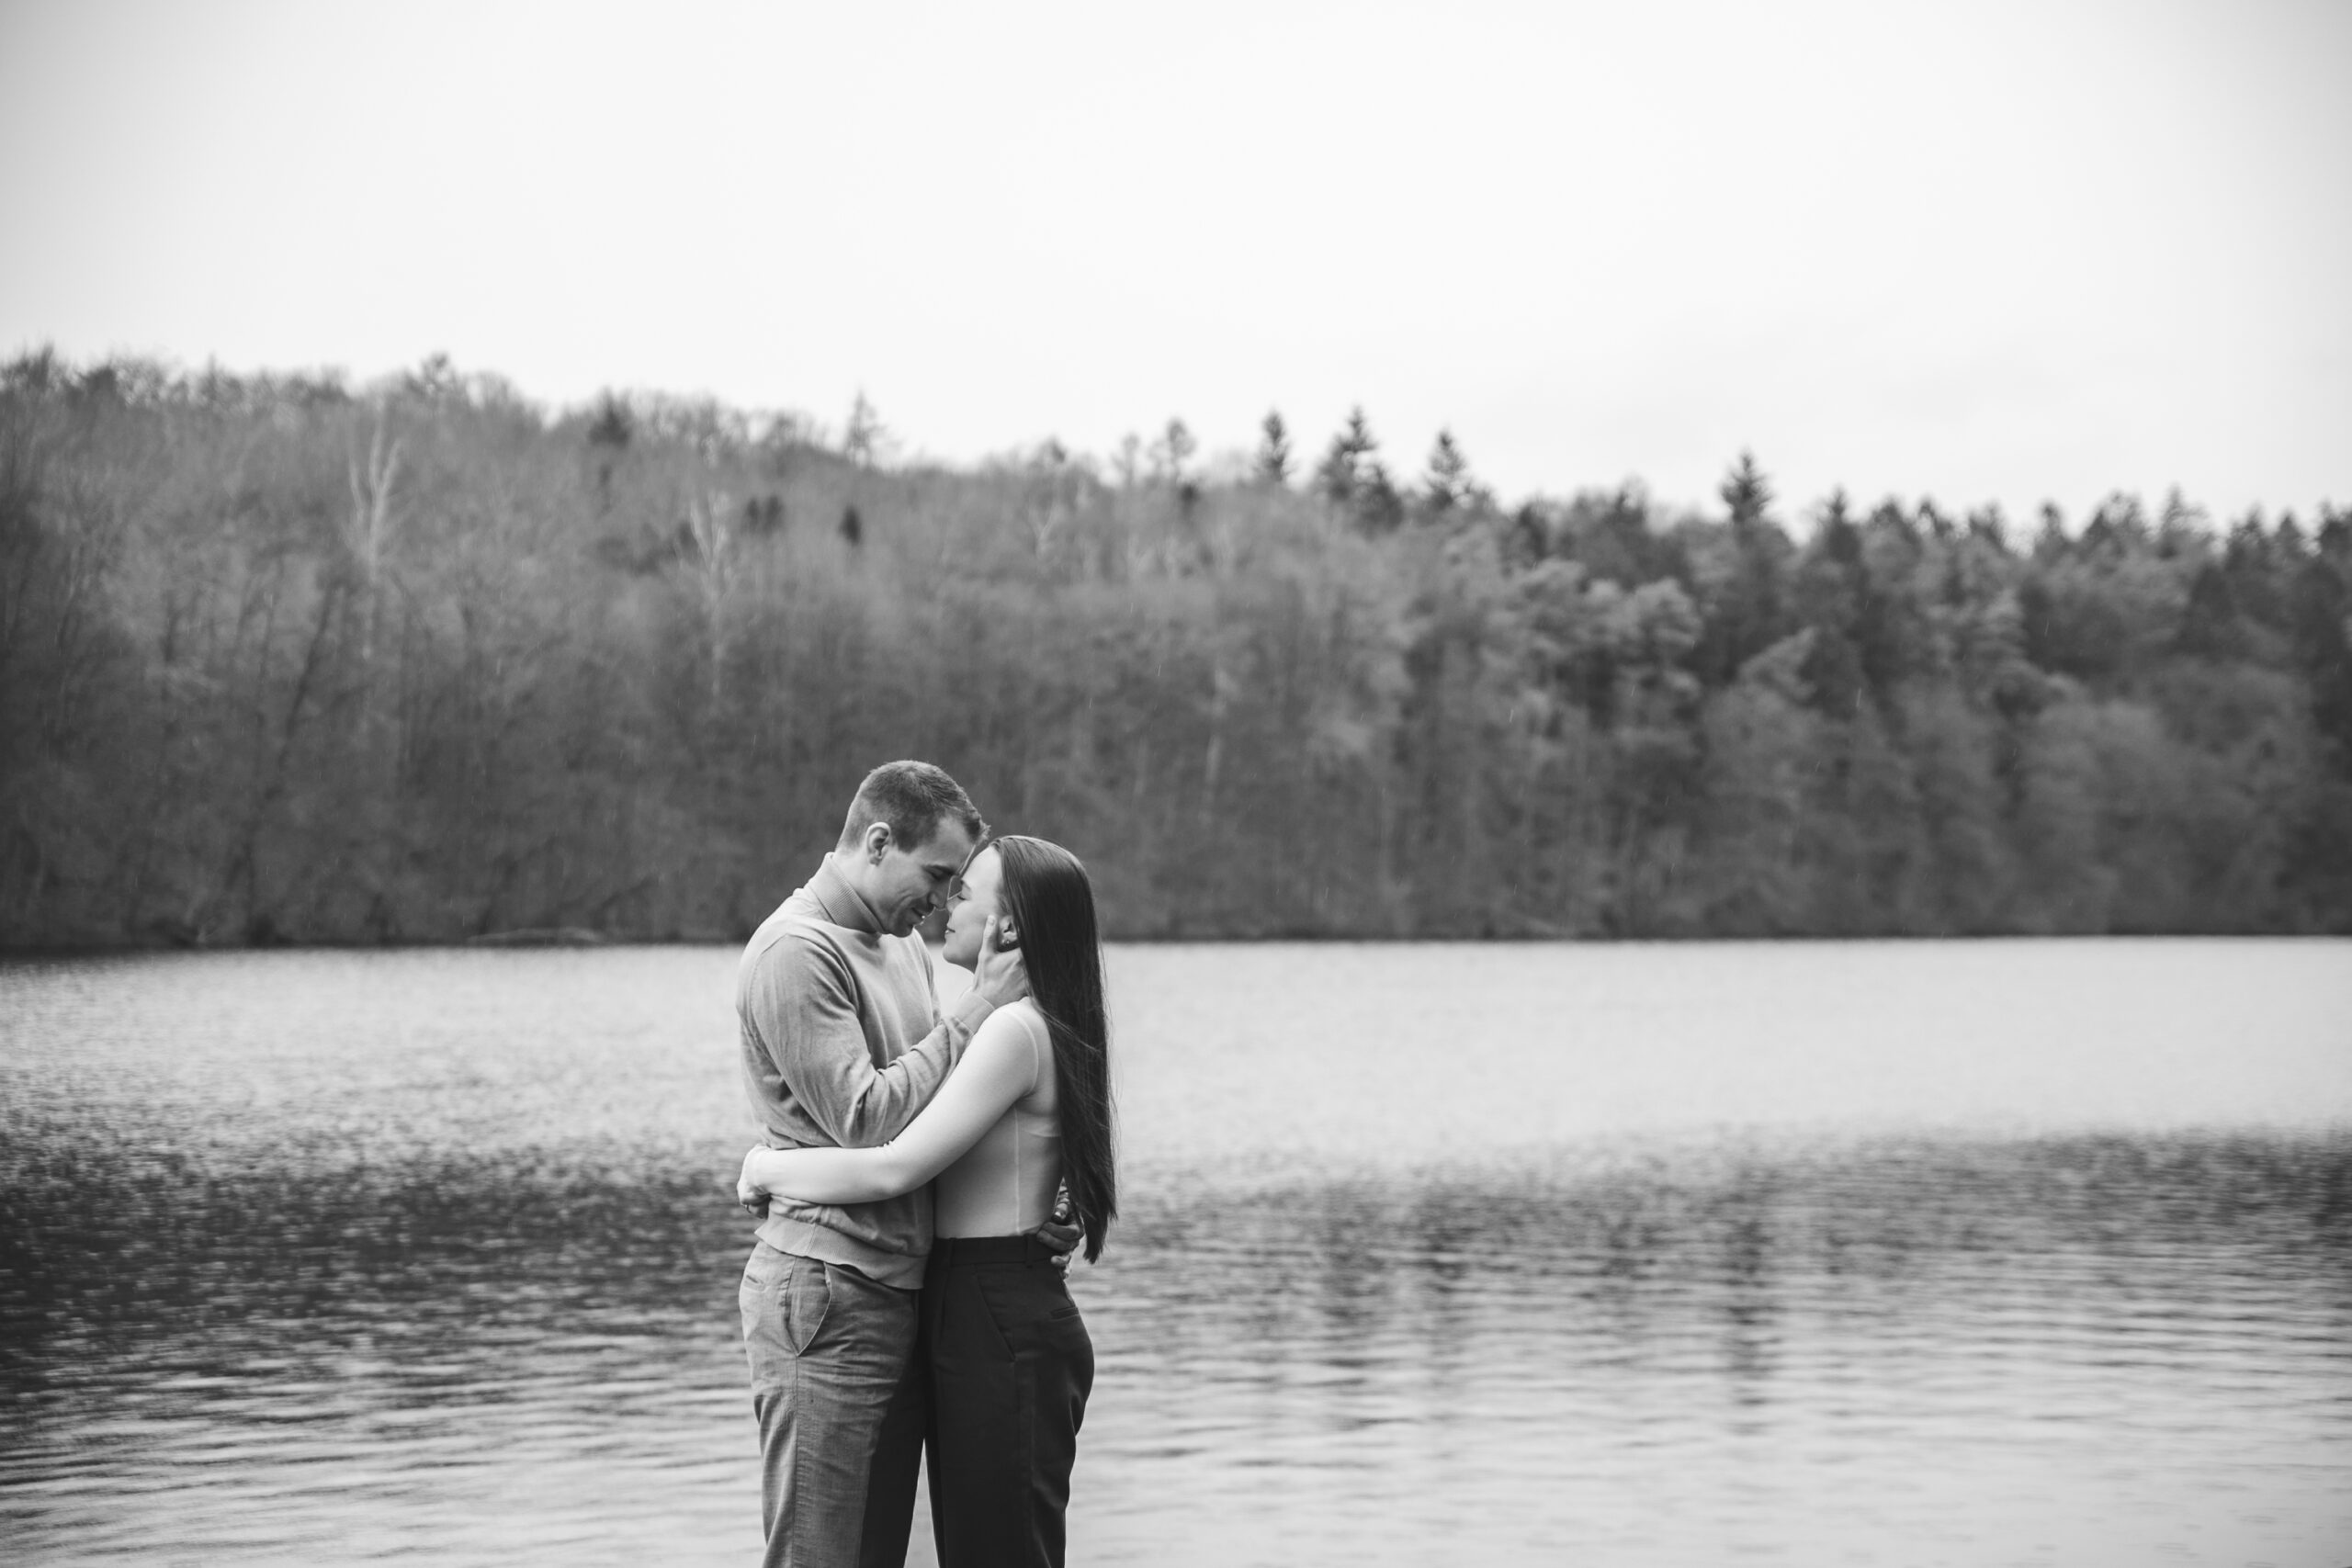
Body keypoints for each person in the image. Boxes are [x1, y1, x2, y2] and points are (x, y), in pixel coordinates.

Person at [739, 834, 1115, 1568]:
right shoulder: (1008, 1021)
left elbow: (895, 1166)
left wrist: (767, 1168)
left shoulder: (1012, 1028)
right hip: (969, 1302)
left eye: (964, 892)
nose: (946, 904)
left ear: (1010, 926)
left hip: (996, 1309)